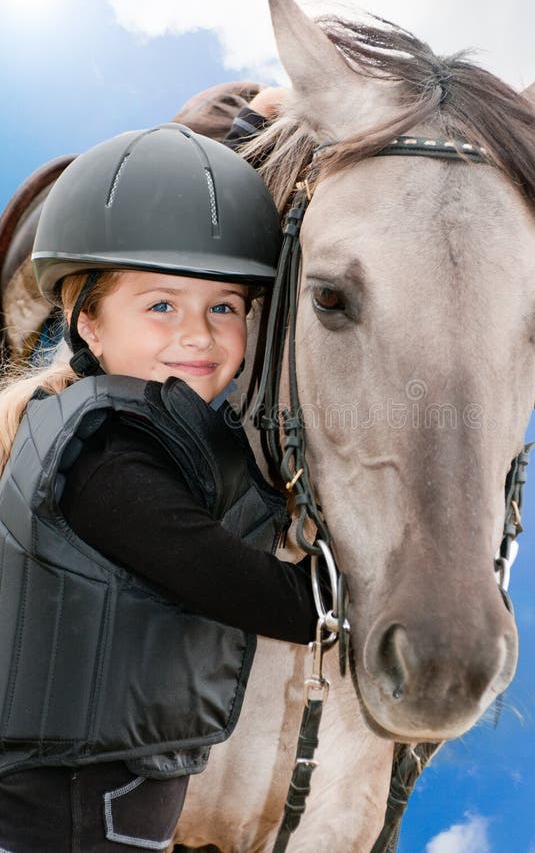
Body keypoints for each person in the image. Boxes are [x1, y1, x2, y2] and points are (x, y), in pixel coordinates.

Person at [0, 119, 321, 851]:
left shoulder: (145, 435)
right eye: (160, 305)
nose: (200, 335)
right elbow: (248, 589)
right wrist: (364, 600)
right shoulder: (104, 459)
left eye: (225, 308)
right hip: (72, 814)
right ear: (89, 324)